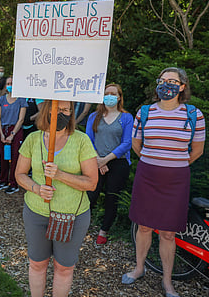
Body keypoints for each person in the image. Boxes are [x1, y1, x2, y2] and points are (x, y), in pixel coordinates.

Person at [122, 67, 205, 297]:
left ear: (182, 86)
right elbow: (137, 143)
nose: (166, 84)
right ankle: (139, 268)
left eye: (172, 80)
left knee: (168, 233)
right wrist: (155, 160)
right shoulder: (145, 112)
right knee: (144, 226)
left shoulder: (193, 114)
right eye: (162, 80)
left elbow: (197, 150)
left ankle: (167, 282)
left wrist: (174, 162)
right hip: (147, 175)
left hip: (176, 179)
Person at [15, 100, 98, 297]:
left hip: (72, 217)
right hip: (36, 213)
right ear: (46, 111)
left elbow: (91, 183)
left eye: (66, 110)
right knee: (37, 263)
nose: (61, 113)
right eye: (56, 109)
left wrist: (60, 175)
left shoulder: (81, 140)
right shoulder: (33, 139)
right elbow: (19, 175)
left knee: (64, 267)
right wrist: (36, 188)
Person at [85, 84, 133, 244]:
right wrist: (99, 160)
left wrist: (106, 160)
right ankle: (82, 226)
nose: (110, 96)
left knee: (112, 198)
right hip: (95, 160)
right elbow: (88, 140)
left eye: (113, 93)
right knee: (90, 195)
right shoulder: (94, 116)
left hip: (117, 163)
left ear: (119, 97)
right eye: (106, 93)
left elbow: (127, 143)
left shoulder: (126, 118)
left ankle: (103, 231)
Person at [0, 76, 28, 194]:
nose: (10, 85)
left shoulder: (21, 99)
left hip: (16, 131)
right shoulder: (2, 99)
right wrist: (2, 134)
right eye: (8, 83)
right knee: (3, 157)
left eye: (12, 83)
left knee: (15, 158)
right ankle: (3, 180)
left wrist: (12, 135)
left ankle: (14, 183)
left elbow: (21, 119)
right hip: (3, 130)